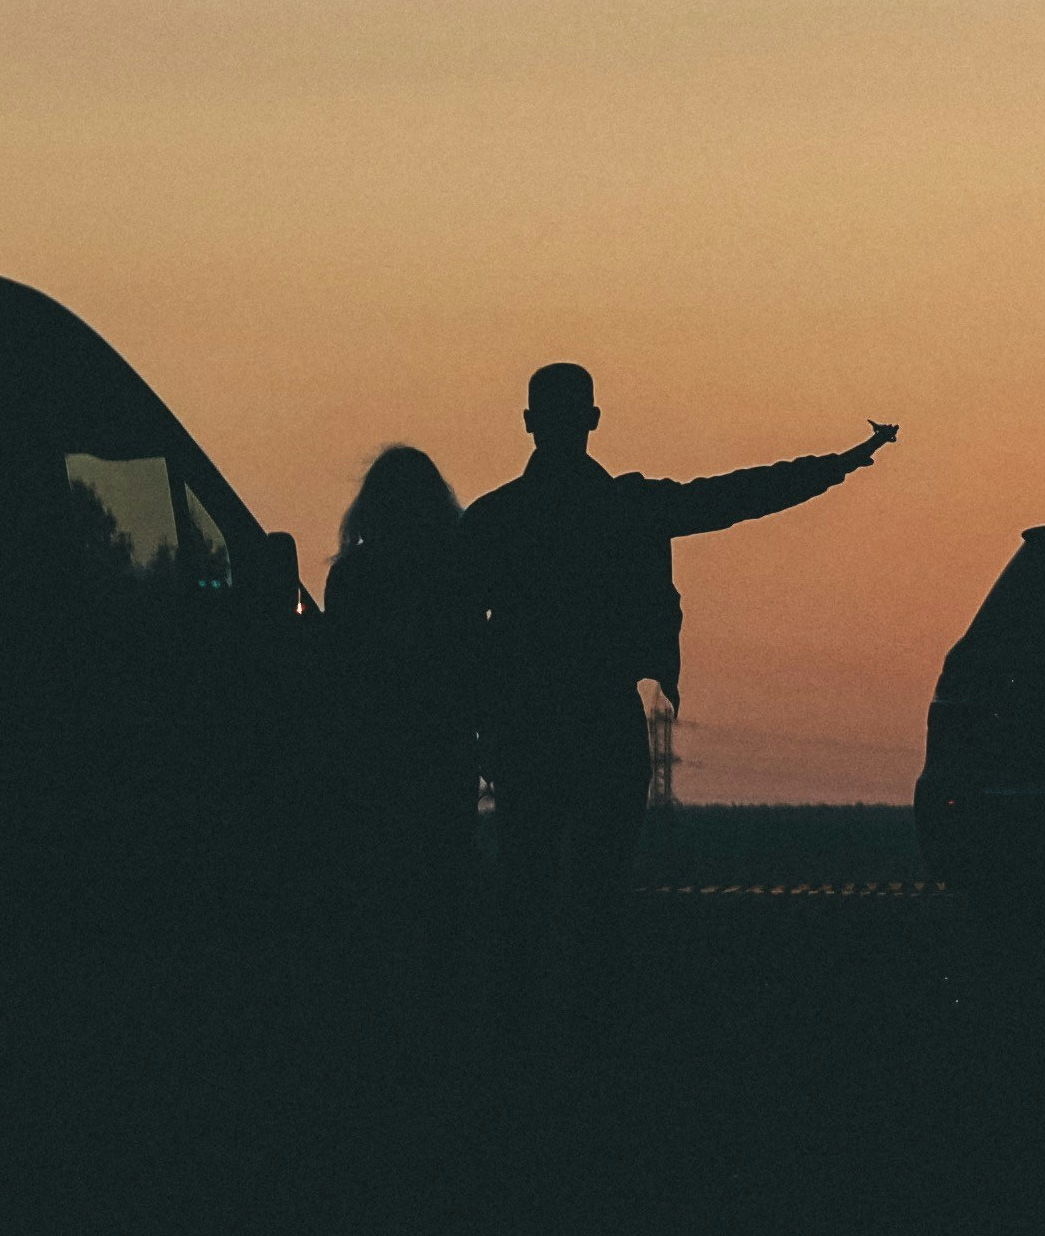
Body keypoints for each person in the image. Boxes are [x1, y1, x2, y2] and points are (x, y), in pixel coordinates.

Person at [464, 363, 892, 1055]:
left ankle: (516, 1047)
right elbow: (733, 498)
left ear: (529, 423)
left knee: (526, 895)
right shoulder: (626, 509)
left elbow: (461, 637)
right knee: (598, 902)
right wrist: (835, 466)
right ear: (593, 421)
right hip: (602, 725)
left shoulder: (495, 519)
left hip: (529, 731)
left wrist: (480, 729)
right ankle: (591, 1043)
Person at [323, 444, 480, 1038]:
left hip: (372, 759)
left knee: (379, 897)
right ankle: (444, 1024)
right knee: (442, 895)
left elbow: (341, 673)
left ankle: (377, 1028)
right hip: (441, 754)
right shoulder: (455, 573)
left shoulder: (353, 578)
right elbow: (469, 663)